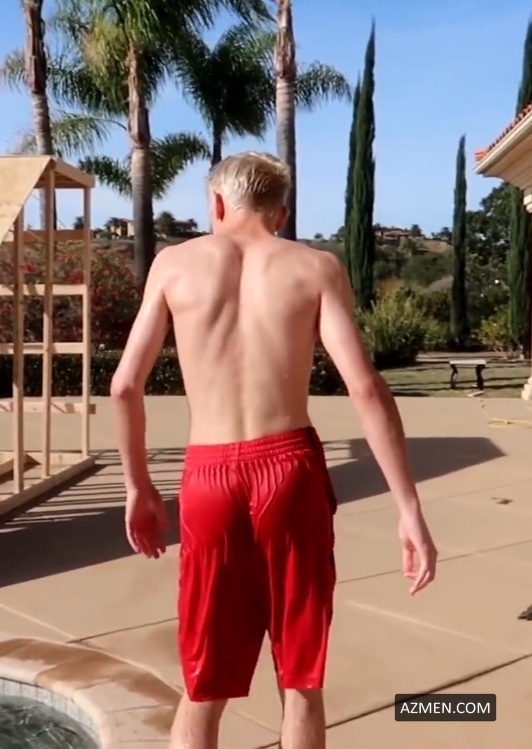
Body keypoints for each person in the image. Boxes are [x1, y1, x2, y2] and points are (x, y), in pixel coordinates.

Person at [110, 151, 437, 749]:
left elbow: (125, 386)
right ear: (281, 213)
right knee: (301, 678)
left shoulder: (173, 265)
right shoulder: (315, 267)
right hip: (290, 470)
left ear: (216, 203)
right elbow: (365, 387)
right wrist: (408, 508)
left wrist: (138, 486)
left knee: (204, 682)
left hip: (209, 477)